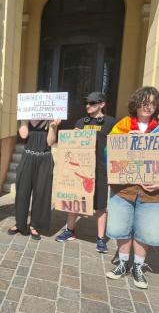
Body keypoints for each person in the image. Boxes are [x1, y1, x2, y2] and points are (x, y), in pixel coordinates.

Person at [105, 86, 159, 289]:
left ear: (157, 106)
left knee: (146, 231)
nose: (148, 106)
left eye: (152, 103)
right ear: (136, 104)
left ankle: (138, 266)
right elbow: (108, 152)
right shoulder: (123, 125)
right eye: (144, 102)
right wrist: (128, 140)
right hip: (124, 189)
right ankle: (122, 264)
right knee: (120, 228)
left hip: (153, 193)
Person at [55, 92, 117, 253]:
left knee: (101, 205)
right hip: (80, 170)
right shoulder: (81, 121)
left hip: (101, 170)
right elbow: (71, 143)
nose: (88, 106)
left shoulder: (111, 122)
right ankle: (70, 230)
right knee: (75, 198)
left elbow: (116, 148)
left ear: (102, 104)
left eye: (92, 103)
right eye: (87, 103)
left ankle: (100, 238)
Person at [8, 116, 60, 240]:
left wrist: (53, 126)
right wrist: (24, 119)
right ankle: (20, 223)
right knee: (22, 191)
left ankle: (35, 225)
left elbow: (50, 142)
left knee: (41, 192)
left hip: (45, 158)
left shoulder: (51, 120)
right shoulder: (26, 118)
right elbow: (24, 135)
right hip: (28, 157)